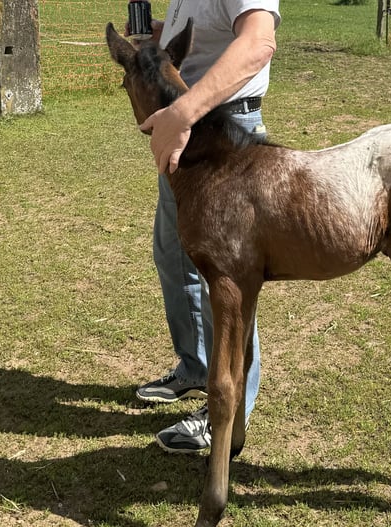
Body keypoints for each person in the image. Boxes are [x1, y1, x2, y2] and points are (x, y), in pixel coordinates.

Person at [127, 0, 281, 453]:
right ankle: (195, 367)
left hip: (224, 133)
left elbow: (257, 41)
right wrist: (159, 39)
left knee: (227, 279)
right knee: (174, 257)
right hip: (185, 135)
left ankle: (228, 415)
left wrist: (183, 112)